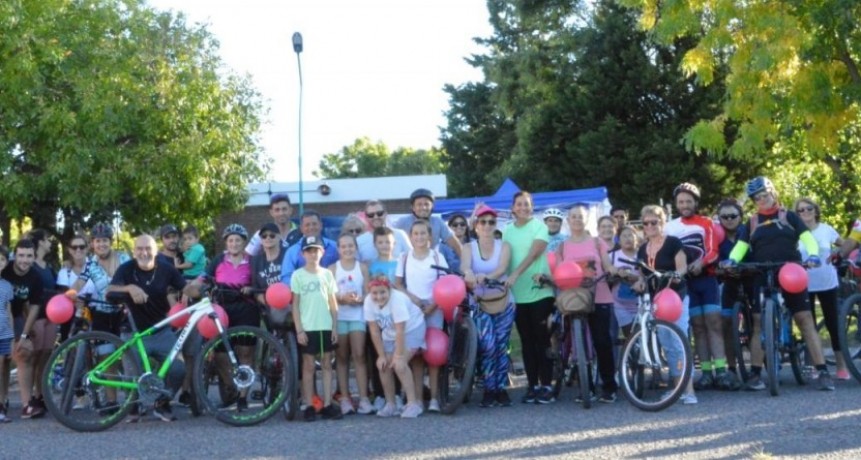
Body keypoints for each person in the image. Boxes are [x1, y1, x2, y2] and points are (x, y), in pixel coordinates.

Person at [722, 176, 834, 391]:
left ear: (773, 193)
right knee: (757, 322)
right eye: (757, 198)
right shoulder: (752, 222)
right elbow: (742, 245)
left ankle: (822, 371)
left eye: (765, 195)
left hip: (791, 271)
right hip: (762, 272)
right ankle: (755, 373)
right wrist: (733, 260)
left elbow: (807, 238)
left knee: (805, 318)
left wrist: (812, 255)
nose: (762, 200)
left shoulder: (790, 216)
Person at [665, 183, 739, 391]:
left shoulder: (706, 223)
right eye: (681, 202)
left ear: (696, 203)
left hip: (706, 279)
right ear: (676, 204)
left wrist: (702, 263)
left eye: (689, 201)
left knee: (714, 324)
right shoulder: (669, 227)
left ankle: (722, 371)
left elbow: (713, 250)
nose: (685, 205)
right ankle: (706, 373)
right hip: (685, 283)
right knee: (697, 326)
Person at [108, 234, 187, 422]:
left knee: (178, 368)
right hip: (133, 332)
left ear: (156, 251)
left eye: (148, 248)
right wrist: (129, 288)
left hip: (161, 330)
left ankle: (162, 403)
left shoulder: (167, 269)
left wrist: (198, 286)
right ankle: (133, 404)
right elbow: (109, 291)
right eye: (139, 249)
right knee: (133, 375)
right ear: (134, 252)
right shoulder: (126, 269)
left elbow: (185, 288)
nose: (144, 252)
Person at [186, 224, 260, 409]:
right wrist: (190, 288)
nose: (234, 243)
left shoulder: (252, 261)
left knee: (245, 352)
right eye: (231, 240)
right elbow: (203, 277)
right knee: (219, 354)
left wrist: (252, 289)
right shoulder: (219, 260)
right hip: (222, 308)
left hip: (246, 308)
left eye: (238, 240)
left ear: (244, 242)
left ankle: (243, 397)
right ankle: (232, 388)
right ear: (226, 242)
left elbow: (259, 283)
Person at [556, 205, 620, 403]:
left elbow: (606, 263)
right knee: (580, 344)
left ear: (587, 219)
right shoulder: (563, 246)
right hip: (575, 299)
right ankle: (587, 387)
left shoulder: (596, 241)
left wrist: (612, 270)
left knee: (603, 342)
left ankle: (609, 386)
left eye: (580, 217)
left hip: (600, 295)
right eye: (573, 217)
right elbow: (559, 271)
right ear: (568, 220)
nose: (577, 220)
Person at [634, 205, 697, 404]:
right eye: (646, 223)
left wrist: (677, 275)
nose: (650, 226)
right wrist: (639, 281)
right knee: (667, 344)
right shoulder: (643, 249)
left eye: (655, 222)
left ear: (662, 223)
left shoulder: (673, 243)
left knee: (679, 341)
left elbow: (682, 267)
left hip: (675, 297)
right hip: (656, 301)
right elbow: (642, 274)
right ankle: (678, 388)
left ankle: (690, 390)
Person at [503, 191, 556, 404]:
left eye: (527, 204)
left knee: (542, 339)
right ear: (513, 208)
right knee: (526, 341)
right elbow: (505, 259)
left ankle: (546, 385)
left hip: (540, 292)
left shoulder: (539, 227)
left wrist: (516, 273)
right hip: (518, 295)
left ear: (532, 207)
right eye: (519, 204)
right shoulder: (506, 231)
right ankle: (532, 385)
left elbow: (534, 253)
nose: (523, 207)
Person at [461, 205, 516, 407]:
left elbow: (502, 268)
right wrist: (468, 273)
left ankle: (499, 389)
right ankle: (488, 387)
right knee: (488, 346)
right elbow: (465, 266)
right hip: (479, 304)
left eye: (491, 222)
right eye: (482, 222)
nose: (487, 225)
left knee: (501, 347)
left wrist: (486, 276)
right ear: (476, 226)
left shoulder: (505, 246)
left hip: (504, 302)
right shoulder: (468, 248)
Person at [794, 197, 849, 380]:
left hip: (827, 283)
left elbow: (844, 246)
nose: (805, 212)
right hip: (803, 284)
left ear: (816, 210)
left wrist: (838, 254)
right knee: (807, 326)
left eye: (808, 208)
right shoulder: (795, 233)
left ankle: (841, 366)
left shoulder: (827, 230)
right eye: (800, 210)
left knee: (833, 324)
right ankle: (816, 366)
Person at [395, 220, 448, 412]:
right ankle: (416, 398)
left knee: (434, 354)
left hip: (435, 309)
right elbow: (398, 285)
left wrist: (434, 304)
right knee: (416, 355)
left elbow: (445, 284)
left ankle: (433, 398)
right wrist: (415, 300)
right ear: (411, 236)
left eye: (423, 233)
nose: (419, 237)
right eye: (415, 234)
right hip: (413, 310)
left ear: (429, 236)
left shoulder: (437, 256)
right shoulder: (404, 257)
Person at [291, 236, 342, 421]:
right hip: (308, 326)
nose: (313, 254)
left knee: (327, 364)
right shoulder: (298, 275)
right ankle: (309, 404)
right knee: (309, 366)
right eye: (309, 250)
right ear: (303, 253)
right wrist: (299, 330)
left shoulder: (327, 274)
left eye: (316, 250)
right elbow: (295, 305)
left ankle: (328, 403)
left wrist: (335, 327)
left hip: (325, 326)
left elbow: (333, 303)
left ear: (323, 252)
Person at [364, 277, 426, 418]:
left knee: (399, 364)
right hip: (389, 332)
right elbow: (374, 330)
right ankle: (390, 404)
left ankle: (413, 404)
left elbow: (401, 330)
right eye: (375, 293)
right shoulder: (368, 302)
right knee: (383, 365)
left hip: (412, 328)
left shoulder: (397, 300)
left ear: (389, 290)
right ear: (370, 292)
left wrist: (398, 356)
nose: (379, 296)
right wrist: (381, 355)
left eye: (382, 292)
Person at [3, 239, 48, 418]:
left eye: (29, 256)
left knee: (24, 352)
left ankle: (26, 405)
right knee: (4, 358)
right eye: (21, 255)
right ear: (15, 256)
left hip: (18, 315)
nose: (25, 260)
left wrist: (23, 335)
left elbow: (34, 307)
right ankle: (2, 400)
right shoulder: (5, 271)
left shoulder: (35, 276)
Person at [329, 233, 373, 415]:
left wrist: (359, 299)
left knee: (359, 355)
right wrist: (342, 298)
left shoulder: (362, 268)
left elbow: (368, 293)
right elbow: (329, 296)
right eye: (344, 246)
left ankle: (363, 398)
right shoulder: (332, 268)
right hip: (339, 317)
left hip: (358, 316)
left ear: (356, 248)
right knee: (341, 357)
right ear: (338, 249)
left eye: (351, 246)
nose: (347, 249)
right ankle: (345, 398)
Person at [715, 198, 758, 378]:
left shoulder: (749, 231)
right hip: (729, 283)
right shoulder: (717, 237)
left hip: (751, 280)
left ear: (740, 217)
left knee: (758, 320)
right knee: (726, 323)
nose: (729, 219)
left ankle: (764, 359)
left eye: (733, 216)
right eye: (724, 217)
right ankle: (731, 368)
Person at [394, 188, 462, 260]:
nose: (423, 207)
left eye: (426, 204)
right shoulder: (402, 222)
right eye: (419, 204)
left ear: (432, 206)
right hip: (408, 262)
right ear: (413, 207)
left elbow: (455, 244)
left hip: (430, 260)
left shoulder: (438, 222)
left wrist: (464, 264)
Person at [280, 211, 339, 283]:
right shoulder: (292, 251)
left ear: (321, 225)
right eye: (307, 225)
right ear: (301, 228)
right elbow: (286, 278)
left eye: (314, 224)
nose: (311, 227)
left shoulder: (335, 246)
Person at [608, 225, 641, 338]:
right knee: (630, 337)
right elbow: (606, 280)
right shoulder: (611, 256)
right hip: (620, 305)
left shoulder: (643, 254)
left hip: (642, 304)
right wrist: (617, 274)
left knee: (643, 335)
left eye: (630, 235)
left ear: (636, 238)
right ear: (619, 240)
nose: (628, 239)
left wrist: (635, 278)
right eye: (624, 236)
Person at [55, 233, 89, 342]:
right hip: (70, 317)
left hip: (94, 315)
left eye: (82, 247)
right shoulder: (64, 271)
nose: (78, 250)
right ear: (69, 250)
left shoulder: (96, 267)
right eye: (74, 247)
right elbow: (63, 294)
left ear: (87, 248)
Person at [0, 246, 14, 423]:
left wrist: (12, 335)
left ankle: (2, 403)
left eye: (2, 260)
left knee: (3, 367)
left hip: (4, 332)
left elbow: (8, 310)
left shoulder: (6, 285)